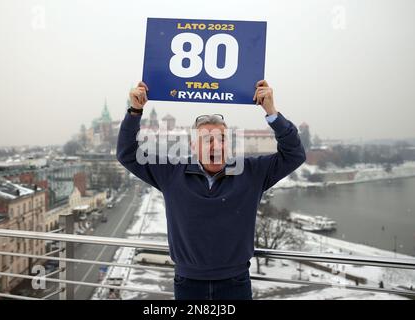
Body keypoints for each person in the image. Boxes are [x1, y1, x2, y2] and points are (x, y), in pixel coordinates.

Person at [116, 80, 306, 300]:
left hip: (235, 283)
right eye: (207, 140)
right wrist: (135, 111)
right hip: (188, 284)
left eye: (222, 138)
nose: (216, 145)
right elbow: (127, 154)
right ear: (194, 146)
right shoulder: (171, 173)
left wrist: (271, 112)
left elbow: (295, 155)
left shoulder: (252, 173)